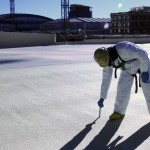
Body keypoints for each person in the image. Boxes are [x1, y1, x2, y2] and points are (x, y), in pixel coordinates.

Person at [94, 41, 150, 120]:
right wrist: (102, 97)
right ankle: (119, 112)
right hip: (128, 68)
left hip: (143, 64)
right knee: (122, 88)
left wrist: (144, 71)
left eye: (109, 63)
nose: (109, 65)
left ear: (109, 56)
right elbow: (106, 79)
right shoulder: (106, 61)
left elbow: (143, 54)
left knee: (148, 89)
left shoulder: (124, 48)